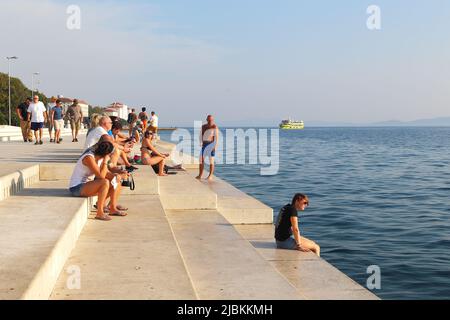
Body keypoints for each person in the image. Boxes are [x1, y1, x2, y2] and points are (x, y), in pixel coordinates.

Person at [69, 141, 128, 221]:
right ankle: (99, 213)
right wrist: (105, 161)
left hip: (88, 185)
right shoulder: (89, 158)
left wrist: (117, 175)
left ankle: (112, 208)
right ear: (107, 154)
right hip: (77, 188)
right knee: (104, 182)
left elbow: (106, 173)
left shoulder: (99, 158)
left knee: (116, 179)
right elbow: (101, 176)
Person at [196, 115, 219, 181]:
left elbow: (216, 138)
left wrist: (215, 146)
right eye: (209, 120)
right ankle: (200, 175)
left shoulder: (214, 127)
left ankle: (210, 176)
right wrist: (201, 143)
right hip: (204, 145)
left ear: (213, 120)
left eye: (211, 120)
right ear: (207, 120)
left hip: (211, 144)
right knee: (201, 160)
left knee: (211, 161)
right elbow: (200, 135)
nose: (210, 121)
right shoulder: (203, 127)